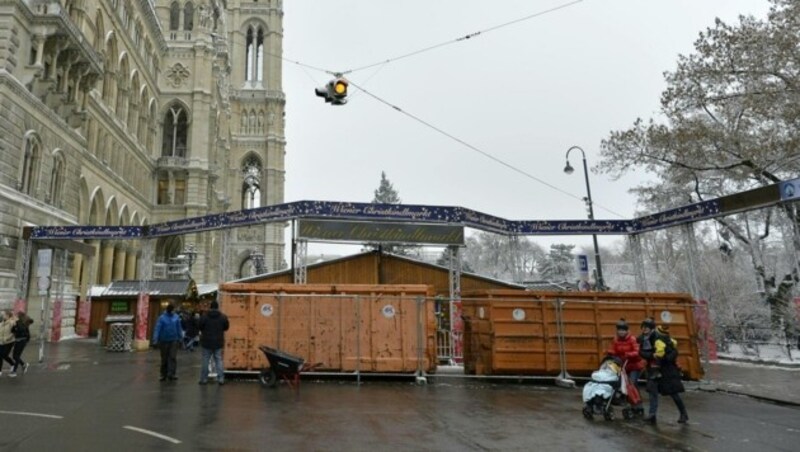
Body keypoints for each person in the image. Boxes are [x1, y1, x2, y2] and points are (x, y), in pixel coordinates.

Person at [639, 318, 689, 424]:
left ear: (652, 329)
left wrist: (665, 357)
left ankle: (683, 413)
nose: (645, 329)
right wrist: (651, 356)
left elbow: (673, 351)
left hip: (667, 370)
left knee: (673, 392)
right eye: (643, 327)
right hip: (653, 369)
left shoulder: (660, 337)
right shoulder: (643, 339)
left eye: (647, 327)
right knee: (652, 392)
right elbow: (641, 352)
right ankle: (652, 415)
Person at [606, 318, 644, 415]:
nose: (621, 332)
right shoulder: (615, 339)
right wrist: (610, 354)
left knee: (632, 383)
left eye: (623, 330)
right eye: (619, 330)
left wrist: (628, 354)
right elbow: (613, 349)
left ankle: (637, 404)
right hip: (622, 366)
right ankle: (624, 400)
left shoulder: (632, 339)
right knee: (619, 383)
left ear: (627, 331)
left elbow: (637, 351)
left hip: (634, 365)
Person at [198, 300, 229, 385]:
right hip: (218, 342)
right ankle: (221, 379)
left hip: (206, 342)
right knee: (219, 360)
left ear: (210, 307)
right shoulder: (223, 317)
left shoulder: (204, 316)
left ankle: (204, 379)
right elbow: (226, 327)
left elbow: (200, 326)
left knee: (205, 360)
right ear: (217, 307)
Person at [152, 303, 184, 381]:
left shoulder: (176, 318)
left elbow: (179, 328)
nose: (173, 312)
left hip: (174, 340)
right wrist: (155, 339)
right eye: (173, 310)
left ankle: (172, 374)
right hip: (164, 340)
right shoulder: (162, 318)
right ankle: (163, 374)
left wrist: (181, 338)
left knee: (172, 357)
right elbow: (157, 329)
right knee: (164, 358)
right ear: (170, 310)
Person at [10, 311, 33, 377]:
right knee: (15, 356)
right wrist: (15, 326)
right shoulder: (18, 323)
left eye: (17, 315)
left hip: (22, 341)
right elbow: (13, 330)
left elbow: (21, 330)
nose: (16, 316)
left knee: (16, 356)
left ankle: (14, 371)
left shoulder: (23, 323)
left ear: (19, 316)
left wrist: (16, 324)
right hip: (17, 341)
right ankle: (23, 365)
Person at [0, 311, 16, 376]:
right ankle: (0, 371)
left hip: (9, 342)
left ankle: (12, 364)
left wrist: (7, 338)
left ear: (8, 315)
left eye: (3, 315)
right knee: (0, 356)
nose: (2, 316)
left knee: (3, 355)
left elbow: (14, 333)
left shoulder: (12, 323)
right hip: (1, 341)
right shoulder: (1, 323)